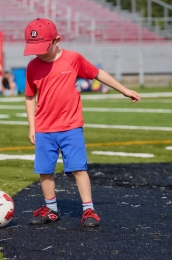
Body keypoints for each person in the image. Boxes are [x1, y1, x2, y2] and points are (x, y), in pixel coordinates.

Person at [23, 18, 140, 228]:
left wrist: (124, 90)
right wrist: (32, 126)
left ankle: (88, 210)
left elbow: (97, 74)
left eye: (43, 47)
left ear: (56, 40)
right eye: (34, 48)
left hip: (71, 127)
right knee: (45, 170)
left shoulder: (73, 58)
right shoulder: (32, 66)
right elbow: (30, 96)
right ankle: (51, 209)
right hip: (44, 129)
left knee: (78, 168)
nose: (39, 52)